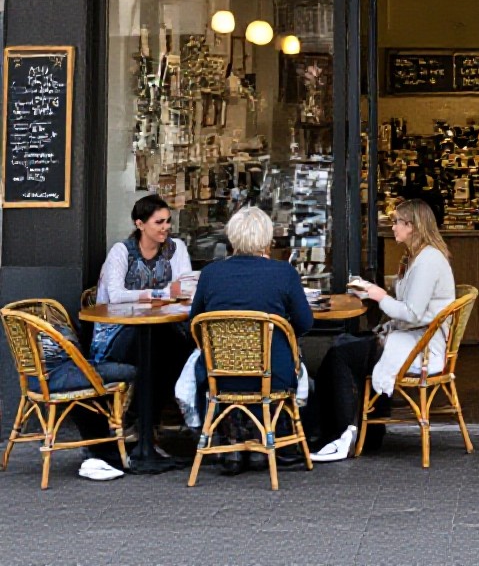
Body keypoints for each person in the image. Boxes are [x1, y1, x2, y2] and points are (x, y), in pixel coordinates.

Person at [311, 199, 456, 463]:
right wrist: (374, 288)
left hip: (419, 346)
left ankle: (339, 435)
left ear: (412, 226)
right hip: (415, 338)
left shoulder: (427, 261)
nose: (393, 227)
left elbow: (411, 313)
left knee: (340, 355)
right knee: (346, 345)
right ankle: (369, 432)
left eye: (397, 221)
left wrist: (377, 295)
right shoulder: (420, 258)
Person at [188, 206, 314, 474]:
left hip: (219, 374)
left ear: (232, 238)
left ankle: (233, 440)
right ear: (267, 239)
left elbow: (196, 323)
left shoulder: (211, 274)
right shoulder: (283, 273)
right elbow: (305, 323)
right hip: (273, 373)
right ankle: (265, 437)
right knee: (290, 370)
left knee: (205, 368)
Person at [88, 194, 194, 437]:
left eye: (168, 221)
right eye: (159, 222)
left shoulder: (176, 249)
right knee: (156, 348)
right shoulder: (121, 251)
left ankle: (146, 423)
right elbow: (115, 296)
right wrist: (161, 292)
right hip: (117, 333)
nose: (166, 228)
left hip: (161, 329)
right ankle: (144, 423)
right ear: (140, 224)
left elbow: (186, 289)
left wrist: (148, 295)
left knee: (175, 345)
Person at [32, 304, 136, 481]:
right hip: (64, 376)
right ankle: (124, 437)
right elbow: (76, 355)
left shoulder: (31, 330)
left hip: (35, 380)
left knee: (98, 381)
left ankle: (105, 445)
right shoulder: (57, 329)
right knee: (133, 372)